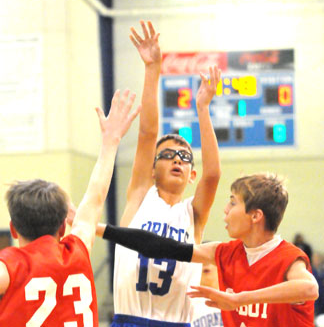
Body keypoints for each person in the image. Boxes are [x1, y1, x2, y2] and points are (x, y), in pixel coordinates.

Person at [97, 20, 222, 327]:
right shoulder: (141, 194)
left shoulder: (194, 214)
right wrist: (153, 70)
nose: (177, 159)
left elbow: (214, 175)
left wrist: (203, 109)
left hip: (176, 322)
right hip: (129, 319)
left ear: (191, 174)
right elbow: (147, 133)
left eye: (184, 157)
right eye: (167, 155)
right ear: (152, 169)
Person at [102, 173, 319, 327]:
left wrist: (239, 299)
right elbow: (162, 246)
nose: (225, 210)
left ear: (255, 216)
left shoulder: (289, 257)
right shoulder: (225, 252)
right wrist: (102, 230)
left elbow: (310, 289)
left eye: (233, 203)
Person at [0, 89, 140, 326]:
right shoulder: (78, 249)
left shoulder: (9, 267)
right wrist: (111, 141)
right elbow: (96, 196)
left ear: (13, 229)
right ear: (64, 226)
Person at [191, 247, 224, 327]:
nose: (205, 263)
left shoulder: (234, 298)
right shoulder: (188, 302)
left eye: (210, 259)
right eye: (200, 259)